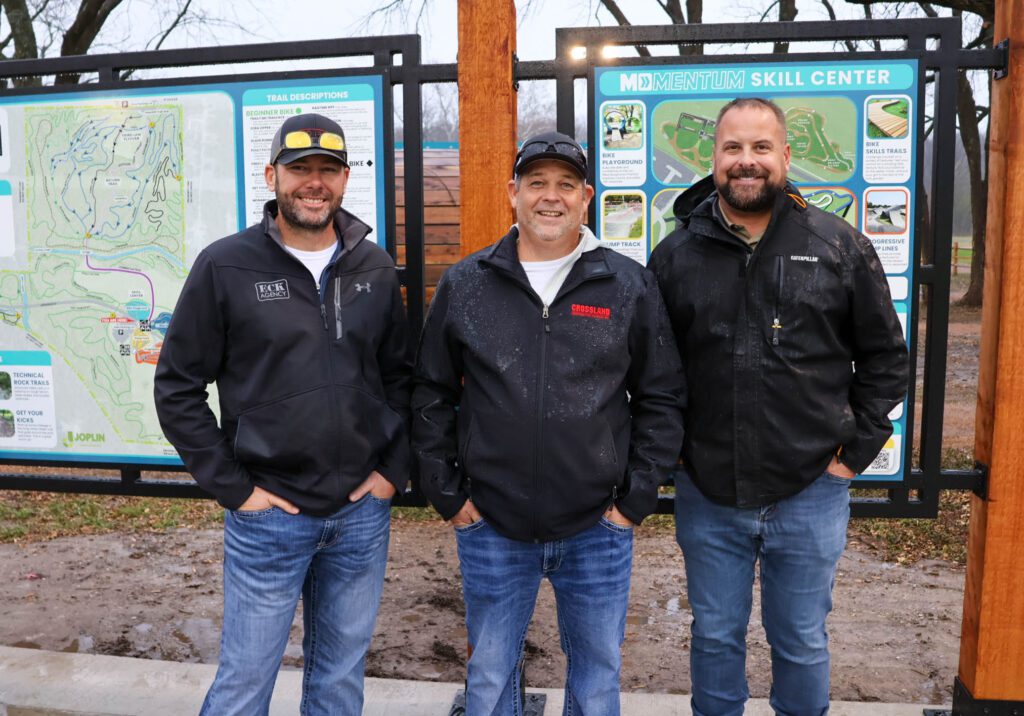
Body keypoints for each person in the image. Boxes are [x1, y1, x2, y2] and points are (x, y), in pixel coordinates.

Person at [648, 98, 909, 716]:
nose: (747, 162)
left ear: (786, 157)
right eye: (733, 148)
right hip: (708, 490)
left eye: (761, 148)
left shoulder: (837, 245)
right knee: (714, 637)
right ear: (712, 159)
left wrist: (854, 454)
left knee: (799, 640)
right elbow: (654, 371)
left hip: (811, 489)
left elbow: (886, 359)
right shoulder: (676, 256)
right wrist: (675, 455)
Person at [413, 131, 685, 715]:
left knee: (596, 683)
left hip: (597, 527)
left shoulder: (625, 284)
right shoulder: (468, 283)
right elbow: (430, 392)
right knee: (488, 678)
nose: (550, 197)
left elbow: (662, 397)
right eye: (537, 183)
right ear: (513, 193)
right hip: (491, 525)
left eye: (566, 185)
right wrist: (447, 493)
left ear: (586, 197)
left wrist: (633, 501)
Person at [154, 113, 412, 716]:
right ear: (272, 176)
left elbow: (400, 378)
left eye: (327, 170)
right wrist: (235, 489)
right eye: (300, 170)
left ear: (346, 179)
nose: (313, 183)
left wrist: (390, 474)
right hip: (269, 515)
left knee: (340, 683)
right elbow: (177, 387)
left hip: (360, 516)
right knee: (246, 683)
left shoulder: (373, 266)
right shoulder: (226, 266)